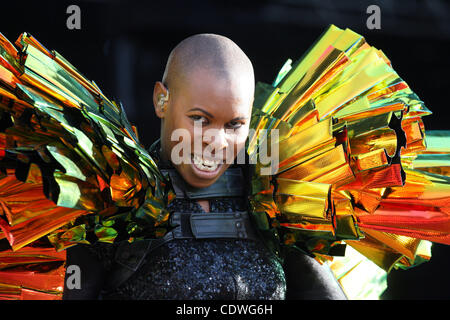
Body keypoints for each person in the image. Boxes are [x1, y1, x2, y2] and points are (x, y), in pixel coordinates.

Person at [62, 33, 347, 300]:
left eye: (234, 125)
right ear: (161, 100)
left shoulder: (271, 200)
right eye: (200, 119)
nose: (218, 142)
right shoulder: (115, 200)